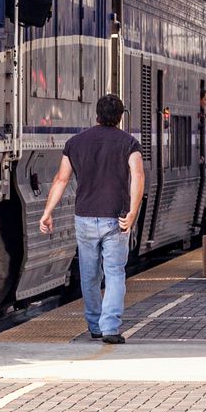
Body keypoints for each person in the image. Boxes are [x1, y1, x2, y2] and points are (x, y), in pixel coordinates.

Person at [39, 93, 145, 344]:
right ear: (120, 118)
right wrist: (133, 212)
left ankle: (94, 325)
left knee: (89, 275)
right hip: (115, 218)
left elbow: (61, 179)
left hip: (84, 217)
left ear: (96, 115)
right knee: (115, 273)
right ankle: (110, 328)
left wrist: (47, 211)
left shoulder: (76, 143)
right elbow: (138, 176)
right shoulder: (128, 143)